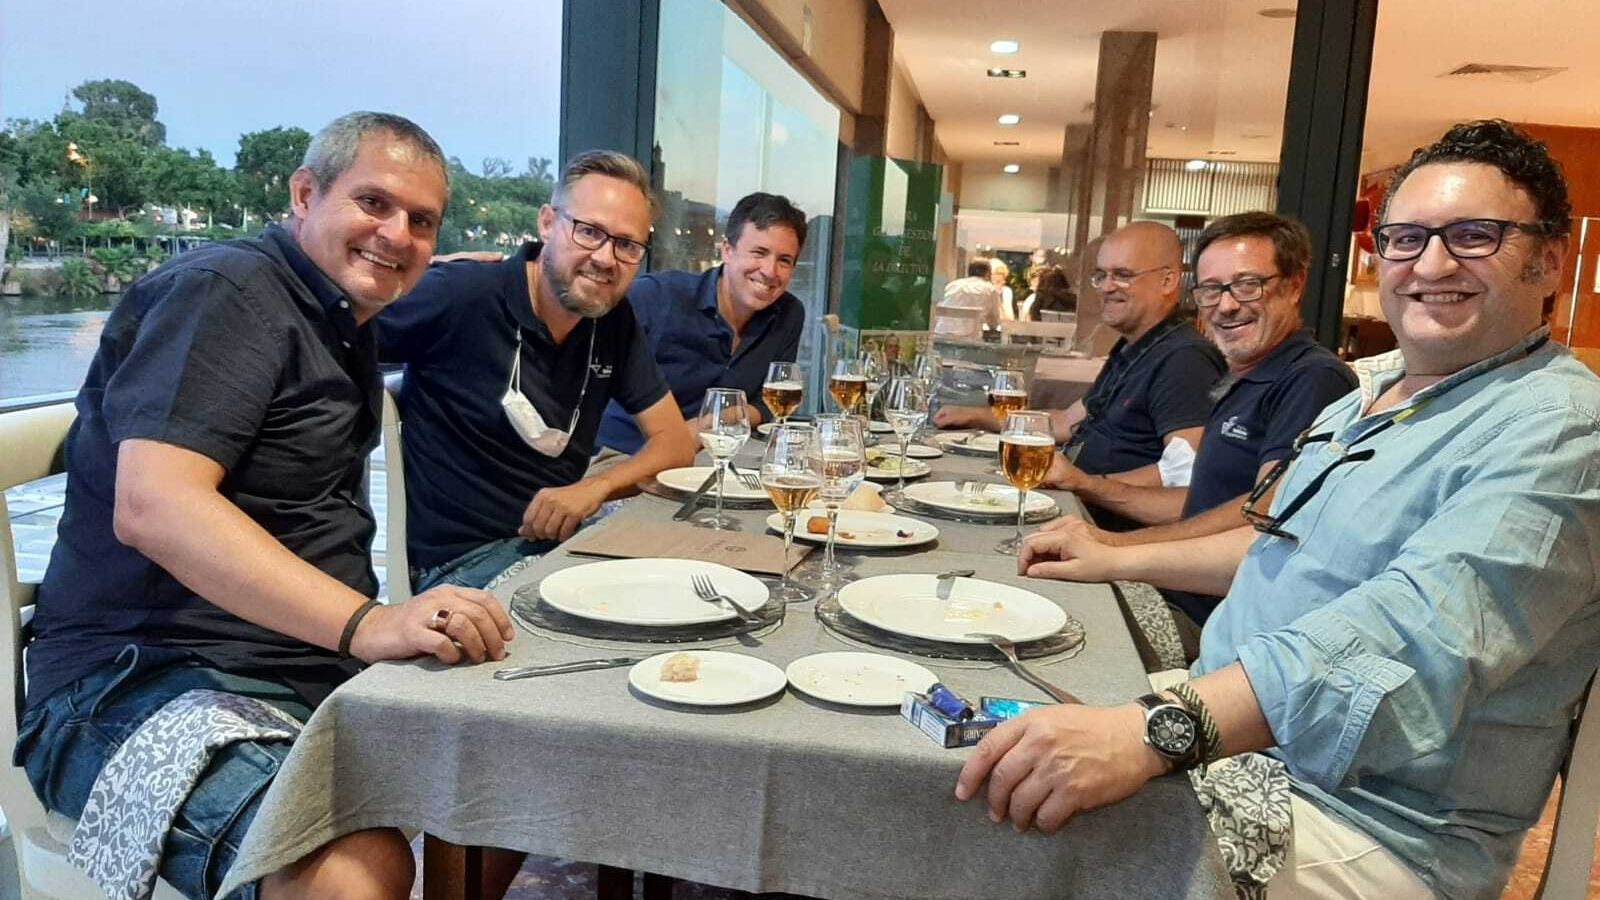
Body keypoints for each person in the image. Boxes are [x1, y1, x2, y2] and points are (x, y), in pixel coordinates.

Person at [967, 120, 1600, 900]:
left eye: (1474, 236)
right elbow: (1278, 544)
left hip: (1358, 821)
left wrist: (1155, 730)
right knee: (964, 736)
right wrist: (1113, 556)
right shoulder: (1373, 392)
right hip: (1232, 741)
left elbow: (1407, 636)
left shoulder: (1563, 429)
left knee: (999, 835)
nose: (1431, 264)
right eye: (1404, 239)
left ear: (1549, 260)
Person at [15, 112, 518, 900]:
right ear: (304, 193)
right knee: (349, 870)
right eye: (374, 203)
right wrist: (368, 623)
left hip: (294, 674)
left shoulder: (338, 320)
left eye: (421, 221)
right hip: (134, 682)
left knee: (511, 765)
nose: (398, 233)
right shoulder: (226, 293)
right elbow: (153, 506)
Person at [378, 150, 697, 592]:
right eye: (588, 231)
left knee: (690, 581)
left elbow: (676, 442)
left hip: (556, 547)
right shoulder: (462, 294)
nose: (605, 258)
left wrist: (595, 488)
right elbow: (336, 328)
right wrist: (415, 270)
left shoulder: (611, 318)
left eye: (627, 245)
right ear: (548, 223)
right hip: (460, 568)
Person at [1042, 212, 1355, 637]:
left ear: (1294, 285)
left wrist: (1115, 546)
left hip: (1207, 622)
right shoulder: (1240, 376)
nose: (1225, 305)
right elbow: (1189, 500)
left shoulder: (1313, 378)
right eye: (1211, 289)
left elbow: (1264, 518)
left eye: (1247, 285)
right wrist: (1086, 494)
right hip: (1163, 587)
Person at [936, 221, 1224, 528]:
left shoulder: (1185, 359)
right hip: (1073, 505)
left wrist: (1082, 482)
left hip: (1102, 530)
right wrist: (975, 415)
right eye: (1101, 275)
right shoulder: (1135, 347)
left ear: (1168, 280)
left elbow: (1183, 477)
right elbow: (1065, 423)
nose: (1107, 287)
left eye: (1123, 275)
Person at [596, 191, 807, 454]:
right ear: (727, 250)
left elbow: (770, 404)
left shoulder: (789, 314)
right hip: (626, 458)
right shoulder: (656, 296)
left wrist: (708, 423)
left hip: (716, 461)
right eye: (759, 252)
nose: (769, 271)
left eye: (784, 260)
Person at [933, 258, 1003, 338]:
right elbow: (994, 322)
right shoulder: (990, 290)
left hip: (940, 336)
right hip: (969, 341)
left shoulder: (952, 285)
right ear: (987, 273)